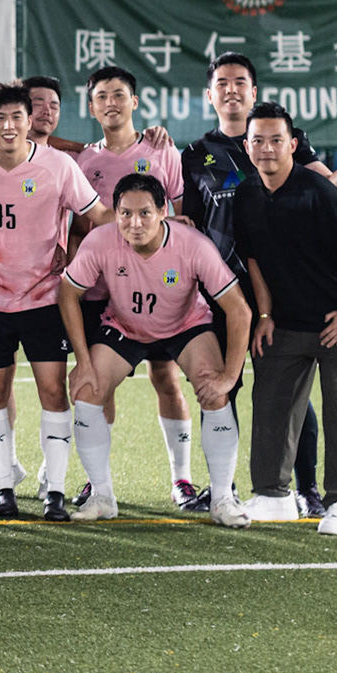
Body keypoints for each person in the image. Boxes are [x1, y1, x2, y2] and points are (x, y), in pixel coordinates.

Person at [180, 52, 337, 516]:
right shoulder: (194, 153)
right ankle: (226, 489)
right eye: (222, 82)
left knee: (292, 394)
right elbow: (190, 224)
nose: (231, 89)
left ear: (254, 92)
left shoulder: (286, 138)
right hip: (225, 292)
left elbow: (329, 194)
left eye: (240, 82)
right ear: (209, 95)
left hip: (285, 289)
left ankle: (306, 489)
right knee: (224, 390)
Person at [57, 174, 252, 527]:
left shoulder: (193, 245)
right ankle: (102, 496)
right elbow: (68, 292)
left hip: (185, 324)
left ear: (164, 211)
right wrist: (83, 361)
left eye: (145, 213)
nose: (135, 223)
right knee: (87, 391)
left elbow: (240, 310)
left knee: (215, 393)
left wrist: (229, 376)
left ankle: (222, 499)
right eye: (125, 213)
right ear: (115, 213)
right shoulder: (101, 241)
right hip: (125, 326)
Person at [0, 85, 108, 520]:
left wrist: (153, 220)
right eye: (0, 117)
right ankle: (3, 486)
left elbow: (96, 215)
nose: (9, 126)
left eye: (17, 116)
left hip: (45, 298)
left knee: (53, 392)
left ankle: (54, 490)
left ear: (28, 119)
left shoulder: (58, 165)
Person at [235, 103, 337, 535]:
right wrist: (264, 314)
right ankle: (273, 497)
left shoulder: (320, 191)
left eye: (276, 140)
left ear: (293, 144)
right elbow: (253, 260)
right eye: (258, 140)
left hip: (336, 323)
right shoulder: (246, 195)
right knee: (271, 403)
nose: (267, 148)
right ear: (246, 146)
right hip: (285, 323)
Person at [74, 65, 202, 510]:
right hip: (102, 290)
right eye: (102, 96)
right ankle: (98, 483)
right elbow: (80, 225)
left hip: (159, 287)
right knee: (100, 384)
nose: (111, 103)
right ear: (91, 107)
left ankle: (182, 479)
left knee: (165, 376)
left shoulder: (162, 149)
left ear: (134, 101)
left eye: (119, 94)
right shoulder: (84, 162)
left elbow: (181, 219)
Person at [22, 75, 65, 148]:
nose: (47, 111)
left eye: (53, 106)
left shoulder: (62, 155)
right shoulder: (2, 152)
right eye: (38, 104)